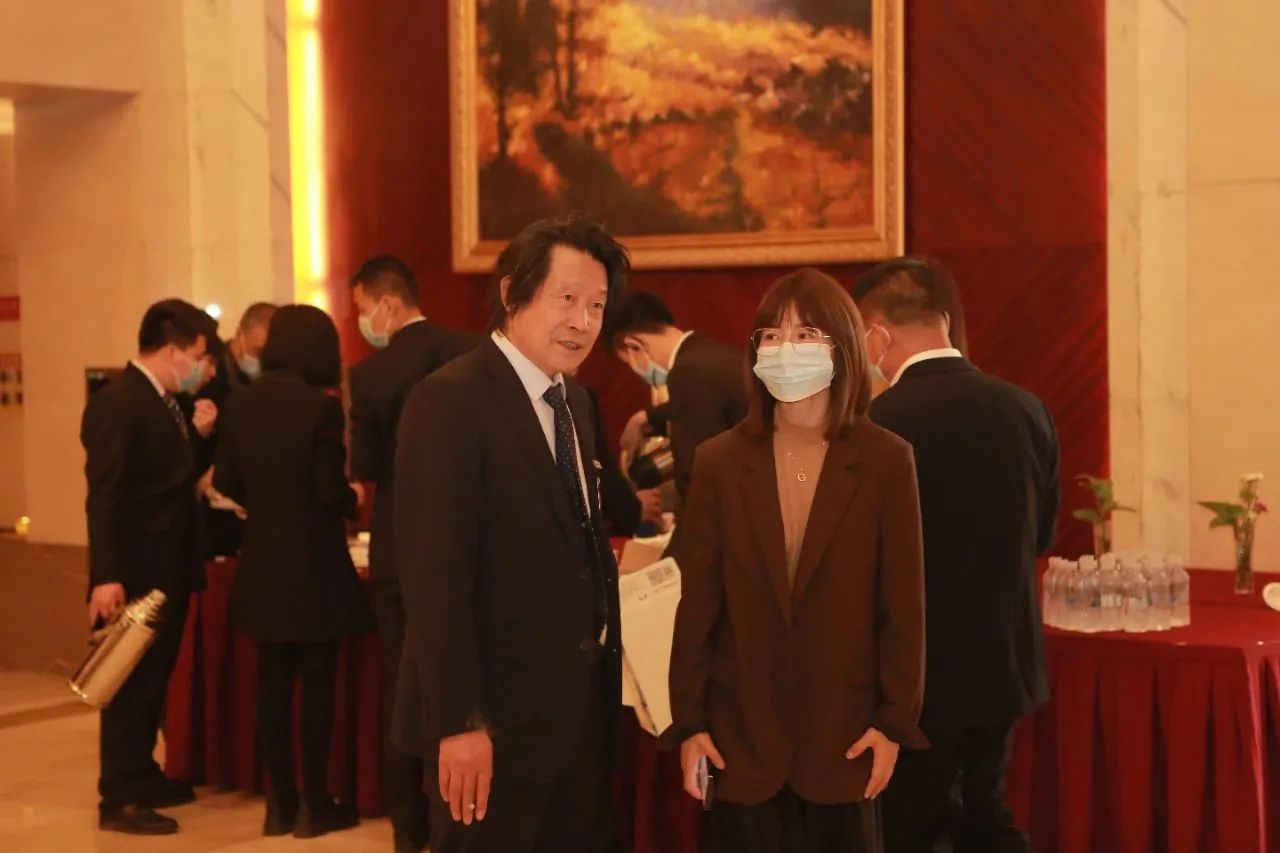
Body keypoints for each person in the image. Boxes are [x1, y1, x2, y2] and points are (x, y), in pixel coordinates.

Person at [669, 268, 928, 853]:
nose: (787, 349)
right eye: (773, 335)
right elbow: (698, 605)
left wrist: (893, 722)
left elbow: (903, 605)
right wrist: (690, 723)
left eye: (807, 334)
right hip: (739, 736)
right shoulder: (719, 461)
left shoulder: (886, 460)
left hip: (845, 736)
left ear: (843, 346)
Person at [393, 215, 629, 853]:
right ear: (511, 294)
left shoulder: (575, 403)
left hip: (576, 715)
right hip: (492, 722)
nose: (582, 321)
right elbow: (435, 580)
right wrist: (460, 722)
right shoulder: (451, 401)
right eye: (566, 298)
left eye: (597, 306)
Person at [853, 257, 1061, 853]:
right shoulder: (1027, 408)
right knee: (985, 816)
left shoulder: (877, 423)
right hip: (1004, 661)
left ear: (876, 335)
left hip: (916, 674)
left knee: (912, 829)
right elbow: (1041, 537)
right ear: (943, 320)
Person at [213, 305, 367, 839]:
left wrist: (265, 502)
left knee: (272, 686)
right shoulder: (320, 408)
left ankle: (278, 806)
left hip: (261, 562)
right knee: (317, 686)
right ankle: (314, 804)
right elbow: (328, 490)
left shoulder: (241, 404)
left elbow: (226, 481)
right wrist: (354, 498)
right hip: (314, 565)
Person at [347, 255, 479, 852]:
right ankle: (463, 815)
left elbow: (367, 467)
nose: (361, 321)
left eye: (361, 308)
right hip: (471, 542)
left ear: (387, 304)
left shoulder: (372, 373)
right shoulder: (471, 352)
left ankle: (408, 828)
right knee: (465, 680)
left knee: (404, 686)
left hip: (400, 549)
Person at [81, 299, 212, 835]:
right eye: (197, 356)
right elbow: (105, 494)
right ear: (171, 350)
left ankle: (142, 774)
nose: (201, 367)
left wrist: (200, 440)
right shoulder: (119, 401)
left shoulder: (166, 401)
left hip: (168, 565)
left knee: (154, 680)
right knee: (129, 686)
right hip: (135, 570)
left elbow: (166, 477)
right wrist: (105, 575)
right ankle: (119, 795)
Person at [608, 291, 747, 502]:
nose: (637, 372)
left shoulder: (688, 373)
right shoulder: (711, 353)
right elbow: (706, 408)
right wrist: (646, 417)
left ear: (634, 345)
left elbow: (696, 477)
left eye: (630, 363)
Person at [193, 302, 277, 557]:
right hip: (214, 509)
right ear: (240, 334)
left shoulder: (274, 379)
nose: (260, 359)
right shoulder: (210, 374)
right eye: (257, 350)